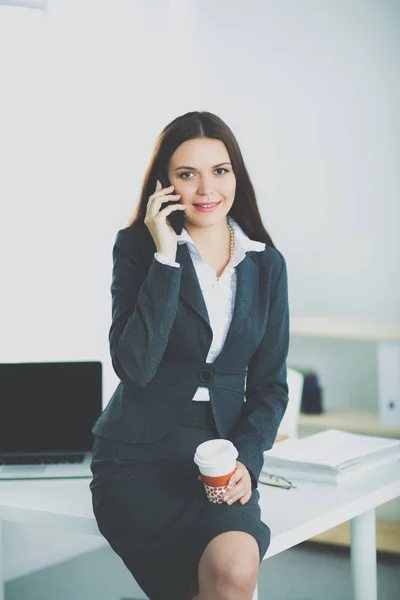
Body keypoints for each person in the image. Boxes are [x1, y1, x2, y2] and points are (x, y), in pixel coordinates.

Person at [89, 111, 290, 600]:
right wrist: (165, 257)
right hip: (139, 452)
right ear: (165, 183)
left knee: (236, 569)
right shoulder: (139, 248)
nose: (206, 188)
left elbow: (270, 385)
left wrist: (247, 457)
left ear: (235, 176)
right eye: (187, 174)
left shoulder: (266, 264)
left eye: (219, 170)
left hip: (221, 446)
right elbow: (135, 366)